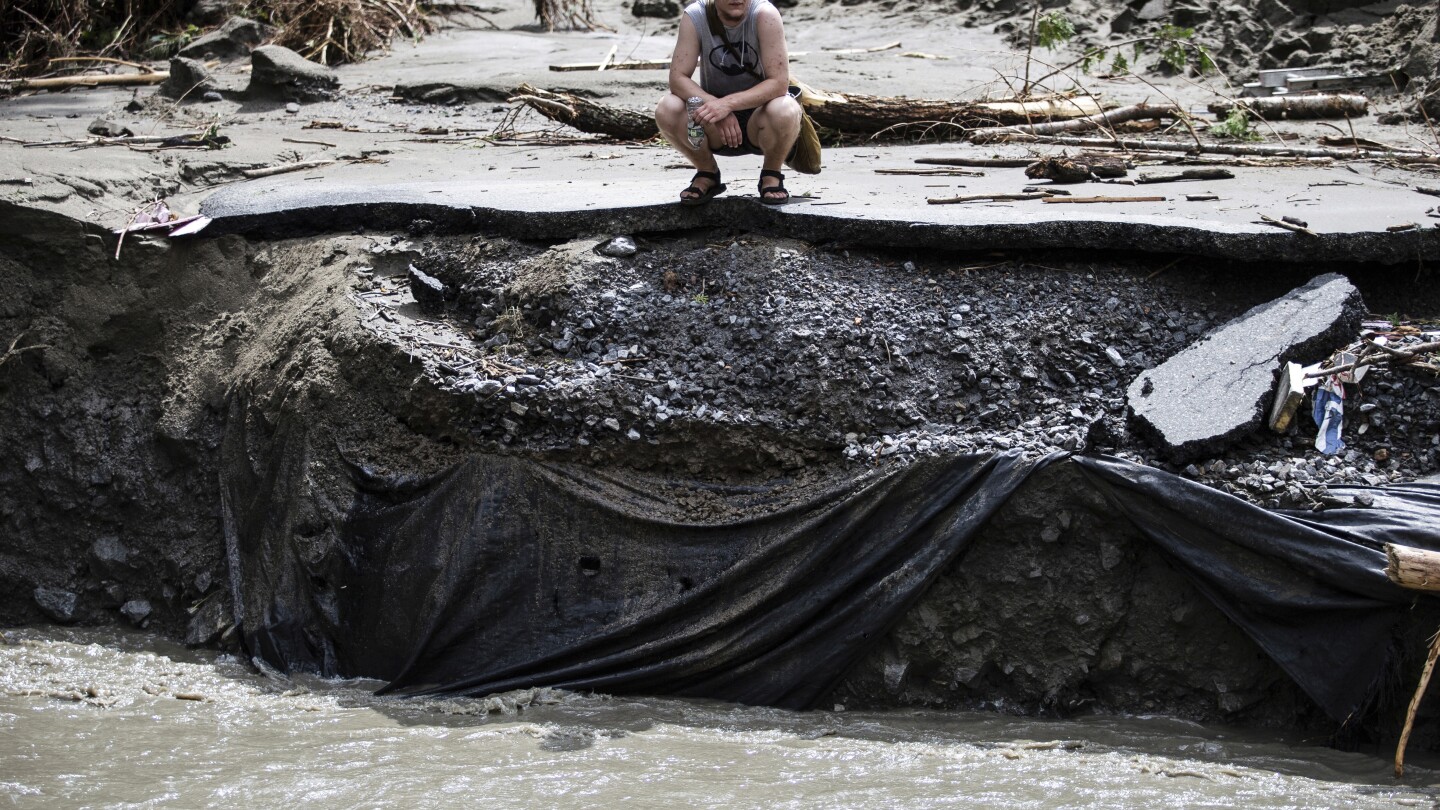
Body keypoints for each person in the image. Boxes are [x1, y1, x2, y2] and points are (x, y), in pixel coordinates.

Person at [655, 0, 803, 206]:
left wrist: (728, 105)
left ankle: (771, 173)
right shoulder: (695, 15)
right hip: (713, 124)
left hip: (761, 119)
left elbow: (778, 83)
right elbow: (678, 78)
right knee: (667, 107)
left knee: (786, 107)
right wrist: (715, 106)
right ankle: (707, 172)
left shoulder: (765, 14)